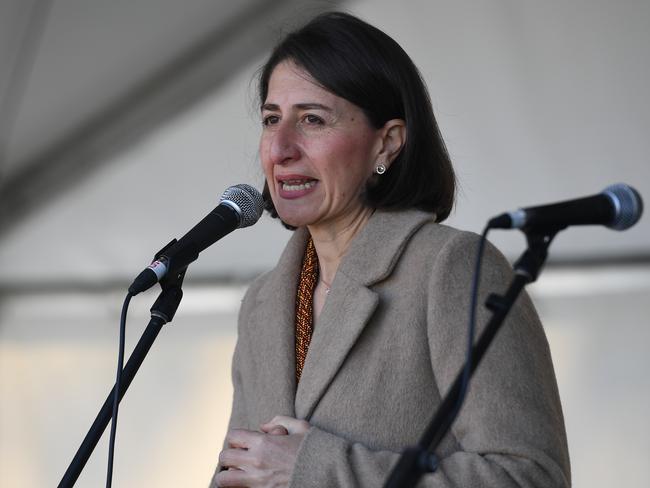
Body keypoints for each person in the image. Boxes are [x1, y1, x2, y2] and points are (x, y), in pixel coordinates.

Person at [211, 11, 570, 488]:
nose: (279, 148)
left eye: (312, 120)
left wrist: (317, 469)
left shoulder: (452, 269)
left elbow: (530, 478)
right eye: (271, 120)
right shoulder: (263, 302)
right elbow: (242, 470)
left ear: (388, 144)